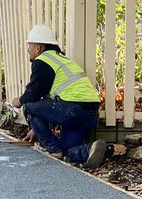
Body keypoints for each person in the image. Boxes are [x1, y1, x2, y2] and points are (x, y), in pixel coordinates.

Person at [11, 25, 106, 168]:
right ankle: (90, 149)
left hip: (72, 110)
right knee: (67, 152)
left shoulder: (43, 61)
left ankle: (52, 148)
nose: (28, 49)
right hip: (89, 113)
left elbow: (34, 94)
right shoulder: (62, 59)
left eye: (29, 45)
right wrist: (35, 129)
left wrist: (19, 101)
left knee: (28, 106)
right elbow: (47, 102)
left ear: (38, 48)